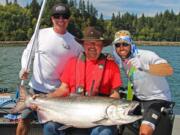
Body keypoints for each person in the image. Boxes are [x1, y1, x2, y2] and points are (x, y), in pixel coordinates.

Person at [17, 3, 83, 135]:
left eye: (64, 16)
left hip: (58, 93)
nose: (60, 19)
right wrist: (24, 67)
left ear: (68, 19)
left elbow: (84, 62)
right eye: (57, 16)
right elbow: (28, 52)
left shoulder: (75, 42)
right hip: (35, 89)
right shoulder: (40, 34)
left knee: (52, 125)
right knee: (24, 119)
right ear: (52, 18)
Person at [43, 26, 123, 135]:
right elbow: (63, 89)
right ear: (83, 45)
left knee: (104, 133)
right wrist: (45, 98)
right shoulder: (72, 63)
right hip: (70, 115)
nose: (92, 47)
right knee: (50, 127)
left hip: (99, 120)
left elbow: (115, 94)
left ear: (102, 46)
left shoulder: (112, 66)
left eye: (97, 43)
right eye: (89, 43)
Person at [112, 30, 174, 135]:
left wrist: (144, 66)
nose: (121, 47)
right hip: (138, 99)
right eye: (118, 45)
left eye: (125, 44)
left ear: (131, 44)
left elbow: (168, 70)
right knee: (124, 130)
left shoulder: (146, 55)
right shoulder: (119, 58)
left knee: (145, 131)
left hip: (158, 98)